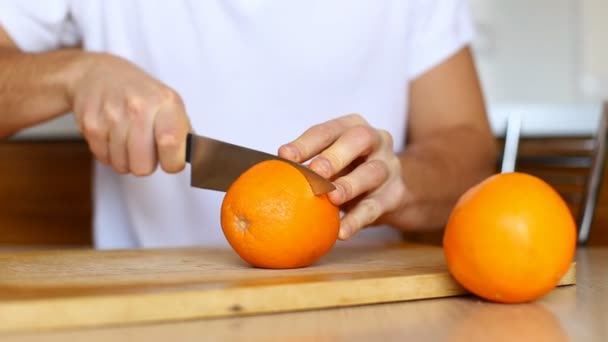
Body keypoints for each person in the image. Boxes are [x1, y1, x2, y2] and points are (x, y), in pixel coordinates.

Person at [0, 0, 497, 249]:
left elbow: (469, 149)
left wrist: (399, 185)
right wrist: (72, 74)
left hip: (362, 312)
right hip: (148, 316)